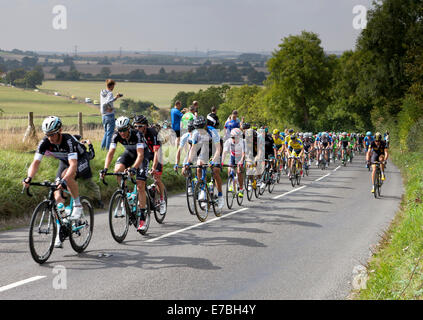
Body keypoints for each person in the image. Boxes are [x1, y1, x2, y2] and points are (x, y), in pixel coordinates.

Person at [23, 116, 91, 248]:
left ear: (59, 130)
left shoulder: (69, 140)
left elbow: (73, 165)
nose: (50, 138)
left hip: (81, 160)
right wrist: (29, 178)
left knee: (67, 176)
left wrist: (64, 181)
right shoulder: (44, 142)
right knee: (57, 195)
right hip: (64, 161)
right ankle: (62, 228)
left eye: (53, 134)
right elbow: (36, 162)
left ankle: (77, 204)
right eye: (47, 135)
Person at [101, 116, 146, 231]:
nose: (122, 133)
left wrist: (134, 168)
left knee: (140, 184)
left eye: (124, 130)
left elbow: (140, 155)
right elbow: (111, 153)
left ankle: (142, 219)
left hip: (142, 156)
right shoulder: (116, 135)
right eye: (119, 130)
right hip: (129, 153)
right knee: (117, 171)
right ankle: (126, 194)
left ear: (129, 128)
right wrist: (105, 168)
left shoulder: (137, 135)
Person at [133, 115, 167, 218]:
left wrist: (153, 168)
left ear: (145, 126)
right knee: (140, 176)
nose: (137, 129)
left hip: (157, 153)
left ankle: (162, 200)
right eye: (135, 126)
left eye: (140, 126)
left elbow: (156, 152)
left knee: (156, 177)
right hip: (145, 154)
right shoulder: (135, 134)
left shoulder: (153, 133)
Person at [222, 128, 246, 198]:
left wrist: (241, 161)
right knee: (229, 169)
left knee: (239, 171)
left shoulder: (242, 142)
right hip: (233, 157)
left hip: (240, 157)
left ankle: (241, 188)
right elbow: (224, 152)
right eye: (232, 137)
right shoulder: (228, 142)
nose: (233, 139)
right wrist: (222, 161)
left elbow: (244, 154)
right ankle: (231, 183)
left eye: (235, 137)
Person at [100, 79, 123, 150]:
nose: (113, 88)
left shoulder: (102, 92)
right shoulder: (110, 93)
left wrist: (116, 97)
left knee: (106, 132)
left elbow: (106, 101)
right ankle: (107, 149)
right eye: (113, 86)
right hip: (109, 115)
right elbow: (107, 102)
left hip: (103, 115)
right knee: (110, 133)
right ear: (111, 86)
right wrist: (109, 108)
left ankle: (102, 148)